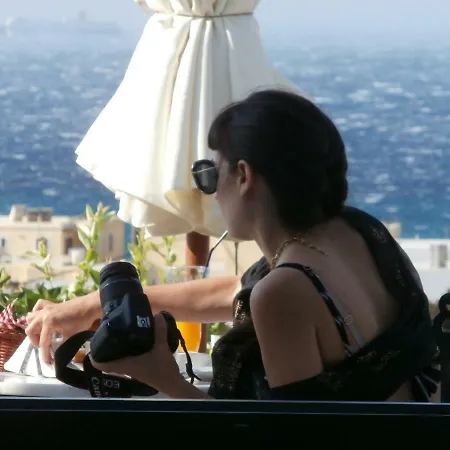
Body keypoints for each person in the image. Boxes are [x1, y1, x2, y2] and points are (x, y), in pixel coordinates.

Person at [26, 89, 440, 402]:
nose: (211, 190)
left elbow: (276, 443)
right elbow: (235, 291)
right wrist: (90, 306)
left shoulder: (285, 290)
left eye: (211, 174)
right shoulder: (357, 232)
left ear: (244, 176)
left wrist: (162, 377)